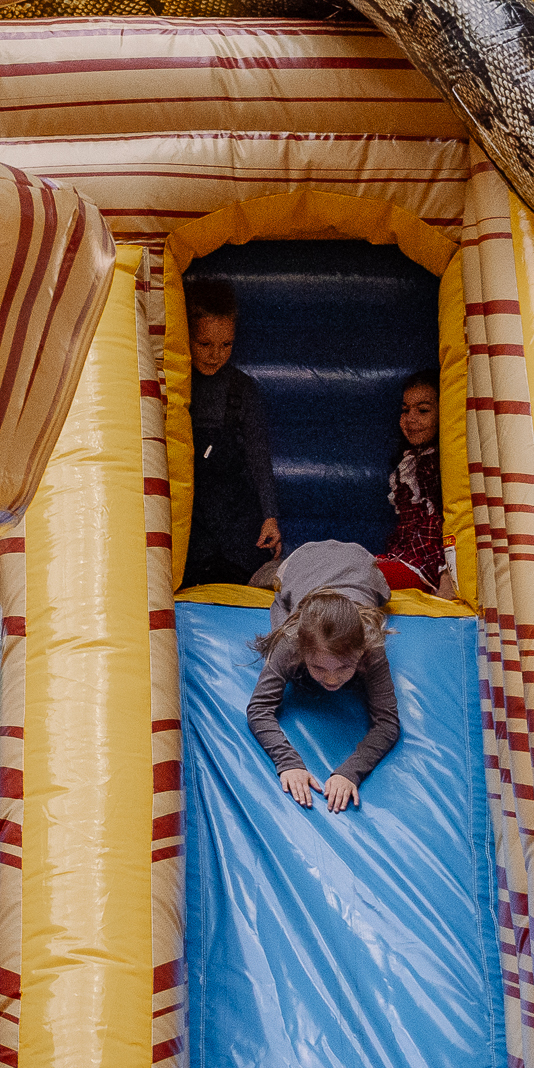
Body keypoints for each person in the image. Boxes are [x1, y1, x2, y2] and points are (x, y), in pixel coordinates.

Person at [247, 539, 400, 813]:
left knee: (384, 594)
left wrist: (350, 772)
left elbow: (388, 723)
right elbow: (259, 708)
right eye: (318, 668)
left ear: (360, 653)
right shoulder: (291, 641)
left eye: (344, 667)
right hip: (302, 561)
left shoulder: (370, 645)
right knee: (278, 591)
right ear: (302, 653)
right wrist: (288, 762)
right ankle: (272, 569)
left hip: (358, 562)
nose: (331, 680)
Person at [183, 277, 280, 588]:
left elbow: (258, 456)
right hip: (192, 525)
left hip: (236, 524)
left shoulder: (242, 389)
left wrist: (270, 516)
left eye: (226, 345)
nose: (215, 355)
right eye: (205, 344)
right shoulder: (176, 384)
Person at [378, 369, 458, 598]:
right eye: (405, 410)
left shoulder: (438, 465)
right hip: (404, 558)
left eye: (422, 410)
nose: (410, 419)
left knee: (354, 571)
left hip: (424, 569)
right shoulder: (412, 460)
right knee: (349, 561)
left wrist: (445, 576)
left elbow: (448, 527)